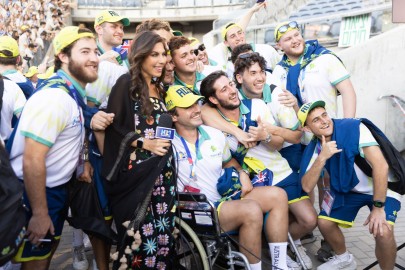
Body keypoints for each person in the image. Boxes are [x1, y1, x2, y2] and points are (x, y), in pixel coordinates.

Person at [200, 71, 317, 269]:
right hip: (251, 182)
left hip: (278, 172)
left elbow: (279, 145)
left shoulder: (256, 105)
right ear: (213, 98)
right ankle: (275, 256)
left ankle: (282, 251)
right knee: (261, 212)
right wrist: (237, 132)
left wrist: (266, 136)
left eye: (230, 84)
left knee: (309, 219)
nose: (232, 91)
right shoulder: (211, 122)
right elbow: (202, 111)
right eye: (224, 89)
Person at [166, 84, 290, 270]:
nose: (195, 110)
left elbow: (228, 161)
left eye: (195, 104)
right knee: (251, 210)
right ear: (174, 116)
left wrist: (242, 173)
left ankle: (280, 266)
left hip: (224, 197)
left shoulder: (215, 134)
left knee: (278, 195)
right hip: (198, 210)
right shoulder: (167, 144)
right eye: (187, 107)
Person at [9, 26, 99, 270]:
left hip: (53, 193)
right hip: (34, 194)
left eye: (95, 51)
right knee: (35, 264)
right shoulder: (55, 98)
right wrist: (39, 213)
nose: (94, 57)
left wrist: (83, 161)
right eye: (84, 51)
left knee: (42, 260)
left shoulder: (70, 93)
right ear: (63, 56)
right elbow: (32, 159)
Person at [299, 101, 402, 270]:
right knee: (324, 222)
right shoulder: (316, 147)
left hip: (382, 187)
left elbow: (381, 166)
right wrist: (322, 157)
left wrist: (378, 208)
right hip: (350, 190)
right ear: (308, 129)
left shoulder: (354, 128)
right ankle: (344, 259)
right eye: (316, 120)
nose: (324, 121)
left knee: (382, 231)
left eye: (324, 115)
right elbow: (307, 186)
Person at [102, 31, 175, 270]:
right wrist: (146, 143)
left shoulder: (159, 87)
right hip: (138, 176)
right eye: (154, 54)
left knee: (162, 238)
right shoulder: (126, 84)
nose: (161, 60)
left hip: (163, 175)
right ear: (140, 55)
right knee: (138, 239)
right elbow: (116, 128)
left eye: (163, 54)